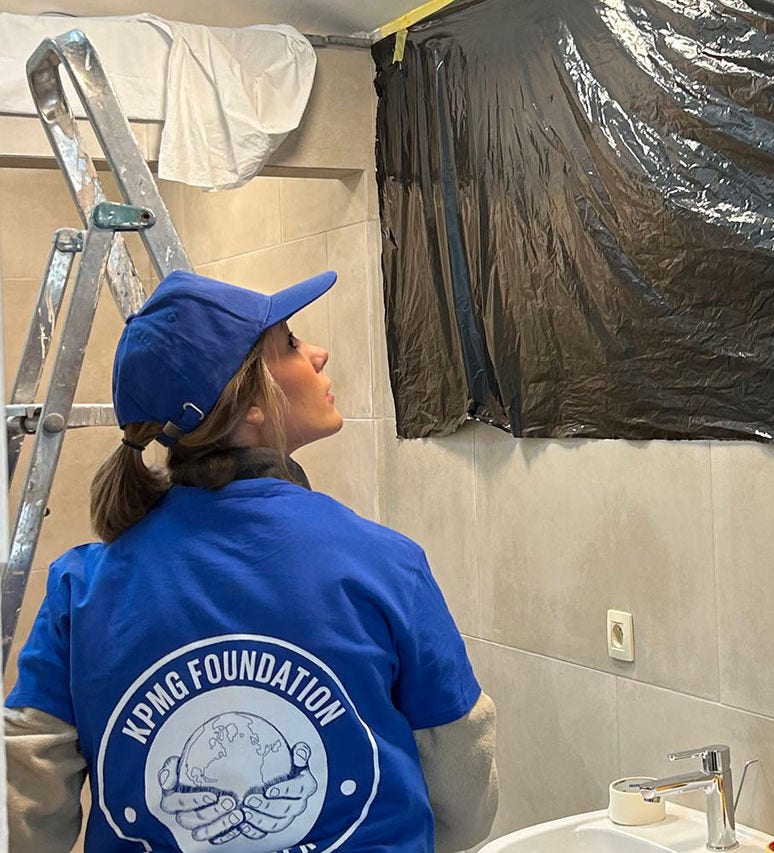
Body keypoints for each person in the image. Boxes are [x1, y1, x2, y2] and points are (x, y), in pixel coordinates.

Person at [4, 269, 498, 852]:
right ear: (251, 405)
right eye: (289, 343)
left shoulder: (82, 588)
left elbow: (28, 811)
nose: (318, 353)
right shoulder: (385, 566)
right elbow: (464, 802)